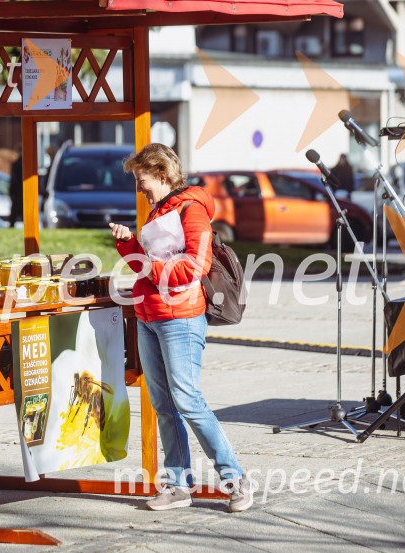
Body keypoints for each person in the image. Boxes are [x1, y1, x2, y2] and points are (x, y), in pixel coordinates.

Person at [109, 143, 252, 513]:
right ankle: (177, 485)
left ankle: (236, 479)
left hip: (181, 317)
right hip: (149, 315)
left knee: (186, 399)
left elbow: (195, 266)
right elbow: (148, 263)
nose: (139, 188)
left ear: (161, 174)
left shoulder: (191, 210)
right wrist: (127, 246)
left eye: (142, 180)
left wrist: (149, 270)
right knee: (164, 405)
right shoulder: (159, 210)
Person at [8, 146, 23, 227]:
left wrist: (11, 192)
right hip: (24, 192)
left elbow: (13, 180)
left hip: (17, 193)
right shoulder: (28, 164)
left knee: (13, 215)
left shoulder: (16, 164)